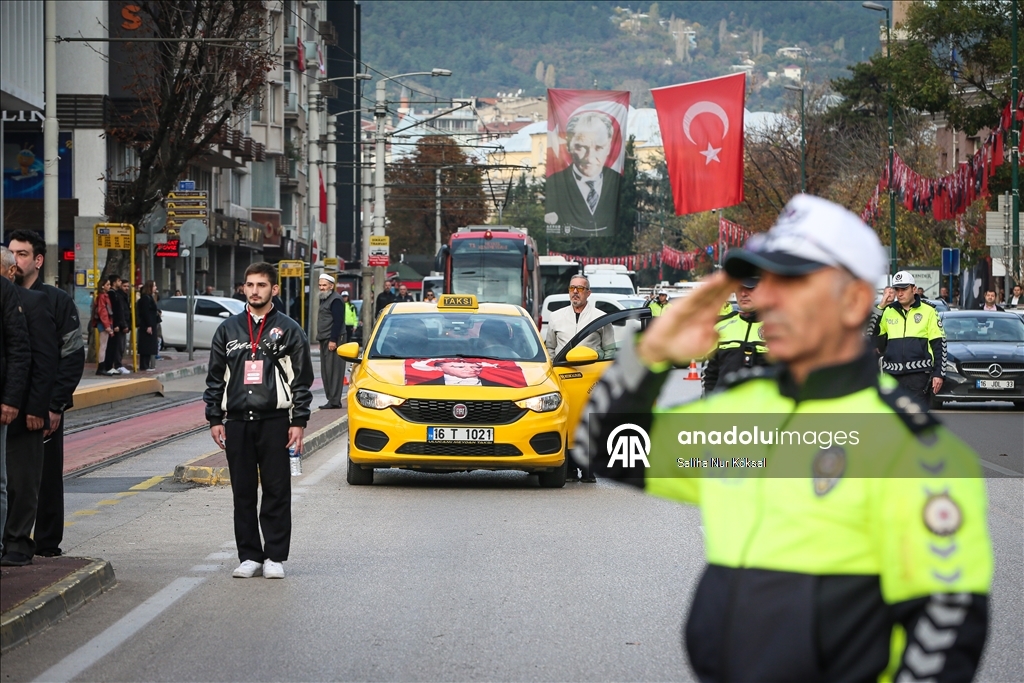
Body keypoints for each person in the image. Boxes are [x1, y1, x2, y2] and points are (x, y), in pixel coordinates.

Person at [573, 194, 991, 681]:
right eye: (767, 281)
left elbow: (946, 630)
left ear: (855, 300)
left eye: (792, 282)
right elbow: (601, 448)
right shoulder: (741, 410)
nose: (768, 297)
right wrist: (651, 353)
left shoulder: (911, 448)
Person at [204, 262, 313, 580]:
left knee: (277, 490)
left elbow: (301, 379)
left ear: (274, 289)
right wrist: (215, 417)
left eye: (261, 285)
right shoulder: (228, 329)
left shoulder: (290, 329)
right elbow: (215, 377)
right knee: (243, 491)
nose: (254, 291)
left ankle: (275, 557)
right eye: (249, 285)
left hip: (276, 420)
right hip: (237, 421)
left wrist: (299, 420)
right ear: (243, 288)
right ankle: (250, 555)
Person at [7, 231, 84, 559]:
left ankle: (48, 544)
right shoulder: (4, 297)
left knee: (46, 476)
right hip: (10, 404)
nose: (15, 261)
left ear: (37, 260)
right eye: (11, 253)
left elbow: (72, 356)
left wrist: (55, 404)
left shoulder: (55, 301)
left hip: (44, 405)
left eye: (22, 254)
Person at [0, 246, 58, 566]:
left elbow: (44, 359)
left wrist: (38, 407)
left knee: (21, 480)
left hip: (24, 411)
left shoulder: (34, 303)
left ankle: (19, 541)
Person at [868, 271, 946, 402]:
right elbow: (870, 332)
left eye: (904, 289)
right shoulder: (888, 311)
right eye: (897, 289)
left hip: (919, 376)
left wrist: (939, 374)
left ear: (914, 289)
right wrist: (881, 305)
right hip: (892, 375)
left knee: (917, 418)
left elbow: (940, 344)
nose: (900, 293)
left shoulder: (929, 311)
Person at [544, 111, 620, 236]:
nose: (589, 157)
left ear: (609, 147)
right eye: (580, 147)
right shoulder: (554, 184)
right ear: (569, 146)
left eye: (599, 147)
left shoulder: (619, 183)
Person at [1, 271, 32, 561]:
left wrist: (11, 400)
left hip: (2, 403)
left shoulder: (5, 291)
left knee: (2, 480)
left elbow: (19, 349)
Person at [701, 276, 770, 394]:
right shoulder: (720, 327)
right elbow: (709, 375)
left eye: (750, 289)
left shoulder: (779, 327)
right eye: (739, 288)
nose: (743, 294)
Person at [544, 275, 615, 358]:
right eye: (572, 288)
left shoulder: (601, 318)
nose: (575, 291)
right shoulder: (555, 316)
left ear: (588, 293)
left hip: (591, 369)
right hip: (562, 369)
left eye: (580, 288)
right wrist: (554, 367)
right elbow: (550, 347)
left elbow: (610, 350)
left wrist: (602, 369)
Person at [316, 274, 346, 409]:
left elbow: (338, 321)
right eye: (320, 285)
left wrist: (333, 340)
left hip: (333, 339)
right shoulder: (324, 299)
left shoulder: (336, 300)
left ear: (331, 286)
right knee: (326, 371)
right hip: (325, 338)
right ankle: (331, 399)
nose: (322, 288)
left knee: (333, 370)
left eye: (324, 285)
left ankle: (334, 400)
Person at [137, 281, 161, 371]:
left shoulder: (149, 297)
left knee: (149, 345)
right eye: (154, 286)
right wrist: (149, 325)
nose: (155, 287)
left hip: (151, 324)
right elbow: (146, 313)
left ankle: (146, 365)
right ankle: (144, 365)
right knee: (146, 346)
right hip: (147, 325)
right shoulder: (145, 299)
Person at [94, 279, 114, 374]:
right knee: (103, 346)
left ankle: (102, 366)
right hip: (104, 323)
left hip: (104, 323)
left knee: (103, 346)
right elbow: (103, 312)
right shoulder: (102, 297)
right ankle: (101, 367)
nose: (109, 286)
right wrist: (107, 326)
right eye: (107, 284)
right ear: (103, 286)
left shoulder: (103, 296)